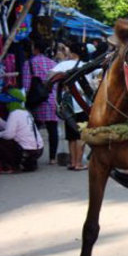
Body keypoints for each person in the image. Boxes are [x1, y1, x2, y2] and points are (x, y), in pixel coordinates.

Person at [50, 42, 92, 171]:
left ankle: (73, 162)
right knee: (82, 134)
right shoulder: (86, 65)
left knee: (72, 136)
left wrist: (63, 83)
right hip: (82, 103)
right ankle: (79, 163)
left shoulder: (62, 65)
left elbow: (50, 77)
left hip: (67, 104)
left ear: (72, 52)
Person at [21, 39, 59, 164]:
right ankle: (52, 158)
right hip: (51, 98)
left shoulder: (29, 63)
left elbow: (26, 85)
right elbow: (57, 84)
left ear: (35, 49)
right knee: (52, 129)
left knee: (34, 128)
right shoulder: (53, 63)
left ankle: (34, 157)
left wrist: (24, 101)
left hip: (36, 101)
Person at [0, 88, 44, 173]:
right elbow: (11, 126)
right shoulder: (25, 113)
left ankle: (13, 166)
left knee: (3, 141)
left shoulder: (14, 114)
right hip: (38, 150)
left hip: (27, 151)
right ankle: (28, 163)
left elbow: (9, 134)